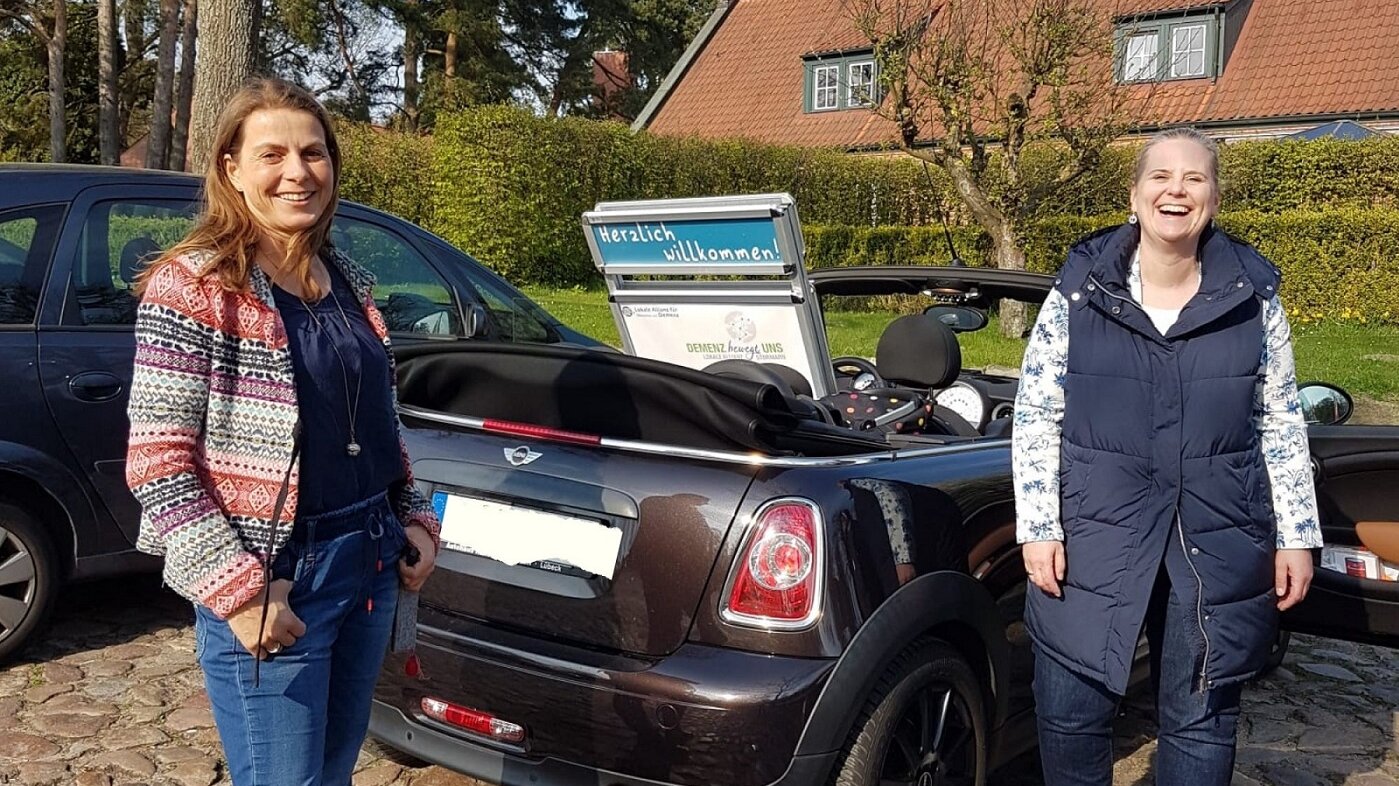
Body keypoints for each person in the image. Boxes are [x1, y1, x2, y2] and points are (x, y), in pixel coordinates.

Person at [125, 77, 441, 786]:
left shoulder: (345, 280)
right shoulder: (196, 286)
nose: (298, 172)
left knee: (331, 773)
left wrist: (413, 517)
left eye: (314, 152)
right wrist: (237, 591)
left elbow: (375, 422)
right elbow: (158, 464)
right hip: (277, 579)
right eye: (272, 154)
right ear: (231, 169)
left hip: (369, 562)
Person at [1011, 127, 1321, 786]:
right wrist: (1037, 525)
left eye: (1193, 178)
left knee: (1200, 723)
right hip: (1091, 528)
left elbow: (1280, 420)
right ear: (1134, 194)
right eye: (1159, 177)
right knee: (1069, 715)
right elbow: (1037, 412)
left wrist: (1296, 535)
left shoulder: (1254, 297)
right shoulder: (1077, 292)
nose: (1175, 190)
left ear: (1213, 196)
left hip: (1216, 533)